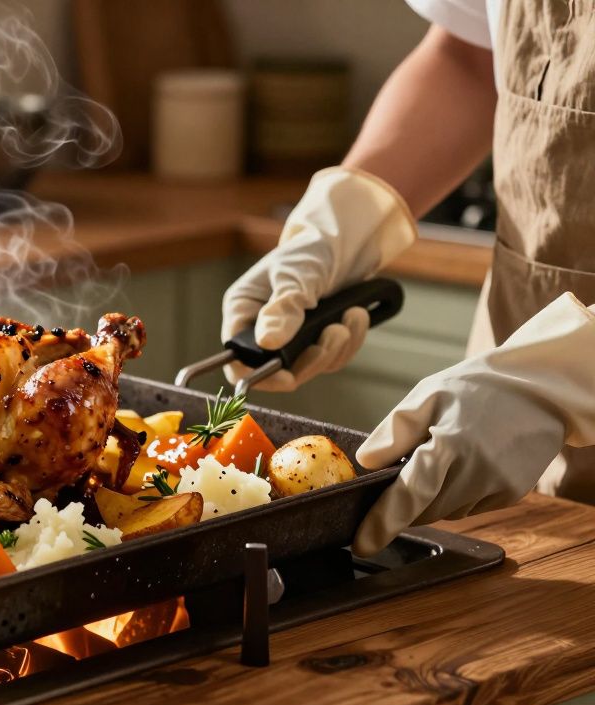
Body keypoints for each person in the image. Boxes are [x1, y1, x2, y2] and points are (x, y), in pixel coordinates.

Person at [223, 0, 595, 557]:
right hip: (507, 414)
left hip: (529, 388)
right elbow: (469, 55)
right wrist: (347, 214)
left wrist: (567, 372)